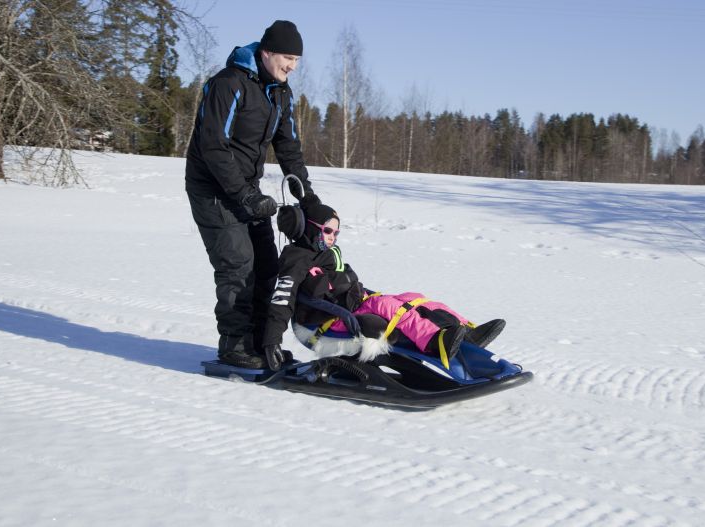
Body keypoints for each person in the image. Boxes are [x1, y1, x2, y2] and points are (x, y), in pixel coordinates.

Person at [186, 20, 321, 369]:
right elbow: (213, 147)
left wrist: (309, 200)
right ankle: (235, 345)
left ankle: (262, 342)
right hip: (212, 190)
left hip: (246, 189)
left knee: (266, 265)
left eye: (297, 61)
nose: (292, 66)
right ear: (266, 53)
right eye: (287, 58)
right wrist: (244, 196)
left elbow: (288, 146)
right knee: (238, 265)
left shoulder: (280, 91)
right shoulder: (228, 83)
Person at [259, 201, 506, 370]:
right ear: (309, 229)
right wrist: (272, 342)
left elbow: (311, 205)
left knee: (414, 297)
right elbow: (281, 302)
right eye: (327, 231)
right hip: (323, 322)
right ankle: (434, 343)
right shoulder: (295, 261)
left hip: (352, 305)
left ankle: (465, 331)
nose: (333, 237)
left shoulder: (323, 253)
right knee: (389, 306)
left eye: (336, 232)